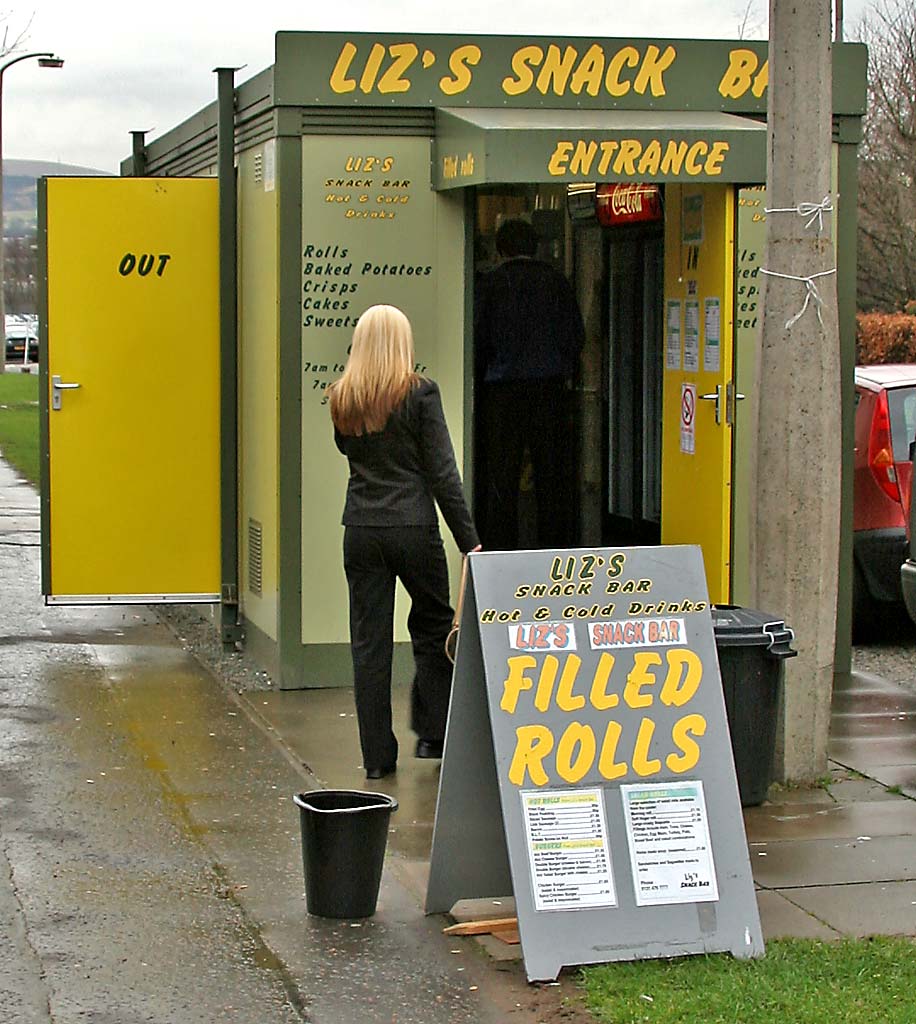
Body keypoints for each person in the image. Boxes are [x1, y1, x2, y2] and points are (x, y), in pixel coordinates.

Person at [327, 304, 480, 780]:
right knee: (434, 629)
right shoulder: (420, 394)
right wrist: (468, 540)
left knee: (368, 644)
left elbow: (347, 449)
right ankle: (432, 734)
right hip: (414, 528)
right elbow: (442, 474)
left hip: (361, 530)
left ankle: (376, 759)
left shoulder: (343, 397)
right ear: (402, 343)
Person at [474, 217, 585, 550]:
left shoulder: (492, 284)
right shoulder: (556, 282)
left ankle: (501, 548)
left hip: (503, 389)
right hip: (548, 388)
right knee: (550, 475)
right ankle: (552, 547)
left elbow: (479, 338)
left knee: (501, 476)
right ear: (535, 247)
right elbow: (575, 336)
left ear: (501, 248)